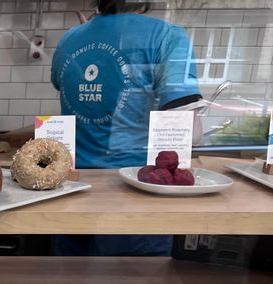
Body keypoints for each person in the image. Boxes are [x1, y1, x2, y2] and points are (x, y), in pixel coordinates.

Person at [50, 0, 203, 256]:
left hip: (70, 187)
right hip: (135, 191)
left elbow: (65, 85)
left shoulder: (70, 38)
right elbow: (189, 133)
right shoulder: (168, 36)